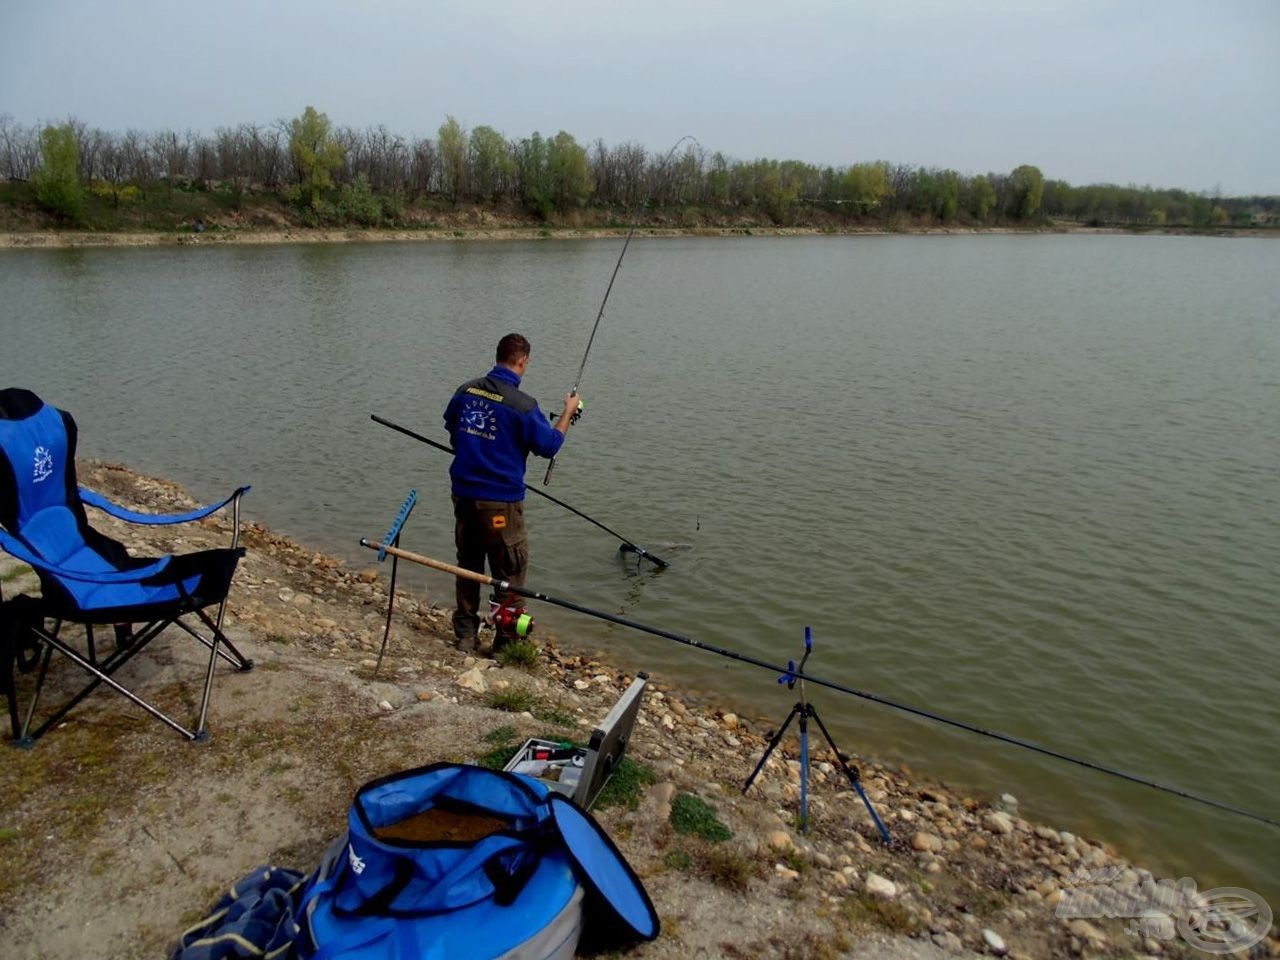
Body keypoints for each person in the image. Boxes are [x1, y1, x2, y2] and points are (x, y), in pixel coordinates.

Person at [443, 333, 581, 652]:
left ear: (498, 356)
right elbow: (549, 446)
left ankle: (465, 635)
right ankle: (506, 643)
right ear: (523, 361)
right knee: (509, 572)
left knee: (468, 566)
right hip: (502, 504)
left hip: (463, 496)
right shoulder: (523, 405)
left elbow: (453, 429)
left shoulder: (466, 390)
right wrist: (567, 413)